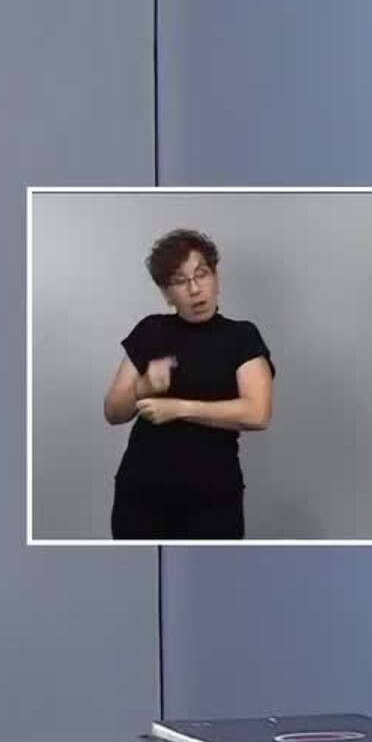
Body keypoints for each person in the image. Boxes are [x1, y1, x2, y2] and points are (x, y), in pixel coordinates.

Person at [101, 229, 275, 539]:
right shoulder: (150, 330)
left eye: (202, 275)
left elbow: (257, 413)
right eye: (180, 281)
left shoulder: (242, 336)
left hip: (213, 496)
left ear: (216, 278)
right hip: (141, 492)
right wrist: (142, 387)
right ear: (166, 293)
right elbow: (113, 412)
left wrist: (179, 408)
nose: (195, 289)